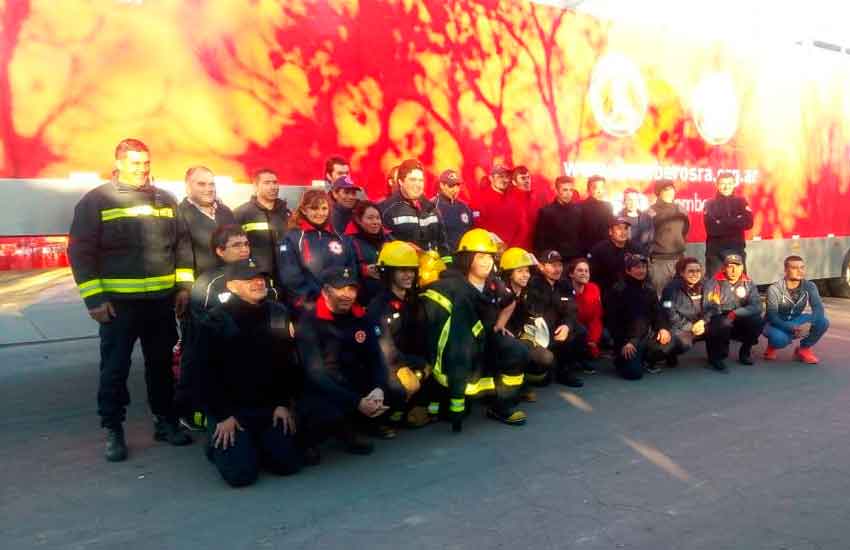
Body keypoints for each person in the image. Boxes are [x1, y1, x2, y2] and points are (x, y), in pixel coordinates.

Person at [68, 138, 192, 462]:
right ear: (119, 163)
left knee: (161, 365)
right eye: (135, 163)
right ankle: (113, 428)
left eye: (146, 163)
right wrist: (94, 299)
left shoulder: (166, 199)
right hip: (118, 306)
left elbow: (181, 245)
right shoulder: (96, 201)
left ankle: (165, 421)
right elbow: (80, 253)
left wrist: (183, 288)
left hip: (161, 302)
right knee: (115, 368)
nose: (142, 169)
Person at [198, 259, 301, 487]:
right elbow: (203, 373)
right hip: (232, 411)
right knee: (241, 476)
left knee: (289, 465)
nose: (258, 283)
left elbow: (287, 363)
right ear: (232, 286)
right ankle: (216, 444)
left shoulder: (278, 312)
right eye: (249, 279)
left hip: (268, 406)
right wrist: (222, 415)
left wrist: (283, 403)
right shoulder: (215, 320)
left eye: (260, 277)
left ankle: (256, 443)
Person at [420, 229, 528, 431]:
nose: (487, 262)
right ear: (468, 258)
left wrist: (500, 324)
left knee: (517, 351)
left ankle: (503, 405)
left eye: (490, 257)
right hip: (460, 345)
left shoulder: (494, 283)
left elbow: (510, 302)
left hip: (487, 337)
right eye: (481, 257)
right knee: (457, 406)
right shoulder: (454, 285)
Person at [296, 266, 402, 460]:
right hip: (326, 385)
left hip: (354, 380)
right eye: (341, 289)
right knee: (327, 412)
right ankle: (315, 438)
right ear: (326, 291)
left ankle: (362, 424)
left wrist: (378, 388)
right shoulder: (309, 322)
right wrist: (357, 402)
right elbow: (316, 374)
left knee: (395, 390)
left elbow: (375, 357)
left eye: (352, 289)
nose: (348, 295)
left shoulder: (361, 316)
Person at [175, 224, 253, 431]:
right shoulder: (208, 283)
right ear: (220, 251)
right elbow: (202, 335)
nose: (244, 249)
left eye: (246, 244)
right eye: (236, 245)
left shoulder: (260, 276)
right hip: (222, 356)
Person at [368, 241, 432, 429]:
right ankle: (379, 420)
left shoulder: (414, 301)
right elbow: (385, 351)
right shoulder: (378, 306)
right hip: (387, 365)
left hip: (410, 360)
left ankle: (408, 409)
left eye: (411, 270)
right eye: (402, 270)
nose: (409, 275)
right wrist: (417, 364)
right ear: (388, 273)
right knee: (399, 387)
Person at [279, 189, 357, 313]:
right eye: (314, 208)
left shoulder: (338, 237)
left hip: (339, 305)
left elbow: (351, 269)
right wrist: (309, 302)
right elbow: (290, 277)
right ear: (304, 210)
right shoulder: (292, 238)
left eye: (324, 208)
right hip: (310, 307)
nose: (320, 213)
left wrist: (344, 296)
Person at [604, 254, 673, 380]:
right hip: (626, 339)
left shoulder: (649, 288)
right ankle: (620, 358)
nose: (641, 270)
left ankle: (647, 358)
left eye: (643, 267)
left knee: (671, 342)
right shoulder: (618, 290)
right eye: (636, 267)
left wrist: (663, 328)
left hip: (644, 336)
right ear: (628, 270)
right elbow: (612, 322)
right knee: (633, 374)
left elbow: (657, 312)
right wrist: (626, 342)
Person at [525, 250, 587, 387]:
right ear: (541, 267)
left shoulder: (564, 284)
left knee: (580, 330)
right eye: (552, 265)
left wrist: (567, 326)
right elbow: (535, 314)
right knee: (543, 380)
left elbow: (571, 309)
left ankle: (565, 371)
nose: (557, 269)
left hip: (558, 331)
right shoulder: (533, 285)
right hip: (539, 334)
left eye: (559, 265)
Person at [499, 247, 552, 398]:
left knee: (546, 358)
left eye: (527, 271)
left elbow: (532, 314)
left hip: (519, 336)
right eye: (520, 271)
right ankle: (501, 389)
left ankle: (522, 381)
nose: (526, 275)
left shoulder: (527, 293)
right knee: (518, 351)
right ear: (509, 273)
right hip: (500, 339)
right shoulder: (500, 293)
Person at [763, 255, 830, 364]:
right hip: (775, 324)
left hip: (796, 320)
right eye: (794, 268)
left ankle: (804, 349)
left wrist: (809, 323)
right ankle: (772, 345)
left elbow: (818, 309)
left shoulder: (810, 286)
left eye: (802, 267)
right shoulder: (774, 289)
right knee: (779, 339)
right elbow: (772, 316)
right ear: (785, 270)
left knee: (823, 322)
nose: (800, 271)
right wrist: (792, 328)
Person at [703, 253, 763, 371]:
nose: (734, 269)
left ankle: (745, 352)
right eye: (730, 266)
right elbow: (709, 306)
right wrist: (725, 315)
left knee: (756, 321)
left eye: (737, 266)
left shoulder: (748, 282)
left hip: (739, 314)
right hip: (719, 315)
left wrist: (737, 313)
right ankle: (716, 357)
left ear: (742, 268)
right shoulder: (713, 282)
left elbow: (757, 306)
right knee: (722, 323)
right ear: (724, 268)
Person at [380, 158, 450, 258]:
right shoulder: (386, 209)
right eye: (412, 180)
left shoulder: (432, 208)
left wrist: (446, 270)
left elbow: (443, 245)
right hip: (404, 270)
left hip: (433, 270)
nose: (417, 185)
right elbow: (382, 246)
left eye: (420, 180)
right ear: (400, 182)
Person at [177, 166, 237, 278]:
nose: (209, 189)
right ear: (188, 187)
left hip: (231, 281)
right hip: (200, 285)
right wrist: (185, 288)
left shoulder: (226, 211)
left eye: (212, 184)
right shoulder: (180, 214)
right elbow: (182, 256)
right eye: (201, 184)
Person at [234, 168, 290, 288]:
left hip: (286, 278)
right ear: (256, 186)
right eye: (267, 183)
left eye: (275, 182)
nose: (273, 187)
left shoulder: (286, 212)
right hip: (257, 279)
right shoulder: (242, 213)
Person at [660, 257, 708, 367]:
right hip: (681, 326)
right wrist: (690, 326)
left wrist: (703, 321)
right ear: (681, 273)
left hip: (701, 324)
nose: (695, 274)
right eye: (691, 271)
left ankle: (715, 357)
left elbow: (713, 307)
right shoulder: (671, 289)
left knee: (720, 325)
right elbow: (669, 314)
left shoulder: (706, 284)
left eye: (698, 271)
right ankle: (669, 354)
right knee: (683, 342)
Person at [703, 172, 754, 278]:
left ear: (734, 184)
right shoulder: (709, 204)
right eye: (722, 184)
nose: (726, 187)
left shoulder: (741, 202)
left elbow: (749, 223)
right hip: (715, 253)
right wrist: (736, 221)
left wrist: (722, 221)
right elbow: (712, 229)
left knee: (740, 286)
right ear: (717, 185)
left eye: (729, 183)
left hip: (737, 250)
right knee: (715, 288)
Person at [648, 179, 690, 295]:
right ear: (658, 192)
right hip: (659, 261)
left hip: (679, 259)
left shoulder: (681, 210)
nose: (670, 192)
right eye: (666, 189)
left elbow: (685, 231)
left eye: (672, 189)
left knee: (679, 295)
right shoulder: (651, 211)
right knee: (660, 295)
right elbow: (647, 236)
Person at [472, 165, 527, 249]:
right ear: (491, 178)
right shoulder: (479, 199)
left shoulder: (515, 200)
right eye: (500, 176)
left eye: (507, 177)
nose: (504, 180)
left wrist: (512, 247)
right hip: (489, 251)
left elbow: (522, 227)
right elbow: (478, 227)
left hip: (512, 253)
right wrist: (496, 245)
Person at [344, 200, 388, 306]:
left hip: (387, 298)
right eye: (370, 218)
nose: (375, 222)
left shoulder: (388, 238)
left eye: (378, 218)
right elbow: (344, 271)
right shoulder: (349, 241)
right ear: (359, 220)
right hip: (363, 301)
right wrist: (363, 270)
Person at [533, 175, 584, 263]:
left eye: (571, 190)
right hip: (555, 260)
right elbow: (540, 241)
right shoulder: (546, 212)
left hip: (575, 259)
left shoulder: (579, 210)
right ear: (557, 191)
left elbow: (582, 235)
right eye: (565, 190)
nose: (568, 193)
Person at [566, 258, 604, 368]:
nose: (584, 273)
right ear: (571, 274)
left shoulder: (594, 288)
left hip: (588, 329)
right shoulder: (565, 290)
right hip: (571, 329)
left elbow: (596, 317)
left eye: (586, 271)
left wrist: (593, 340)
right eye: (580, 270)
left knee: (603, 337)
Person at [588, 217, 635, 298]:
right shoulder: (599, 250)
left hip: (629, 293)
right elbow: (592, 276)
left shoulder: (634, 248)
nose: (623, 232)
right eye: (619, 228)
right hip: (605, 293)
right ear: (610, 231)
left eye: (626, 228)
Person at [432, 169, 474, 252]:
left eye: (458, 185)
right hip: (444, 258)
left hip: (464, 257)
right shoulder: (432, 206)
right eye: (451, 186)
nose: (455, 190)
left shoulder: (465, 207)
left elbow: (471, 233)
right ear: (442, 185)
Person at [508, 166, 548, 250]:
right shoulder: (509, 201)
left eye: (528, 177)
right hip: (515, 252)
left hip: (534, 251)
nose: (527, 181)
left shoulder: (535, 199)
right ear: (514, 182)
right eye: (523, 178)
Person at [579, 175, 614, 253]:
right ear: (588, 190)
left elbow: (610, 229)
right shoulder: (581, 207)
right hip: (587, 250)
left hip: (606, 250)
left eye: (602, 188)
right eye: (595, 187)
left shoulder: (608, 206)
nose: (599, 191)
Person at [619, 187, 653, 257]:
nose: (632, 203)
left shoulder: (647, 218)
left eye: (635, 200)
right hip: (623, 260)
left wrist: (643, 255)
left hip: (642, 260)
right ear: (624, 201)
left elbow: (650, 241)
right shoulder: (617, 218)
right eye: (629, 200)